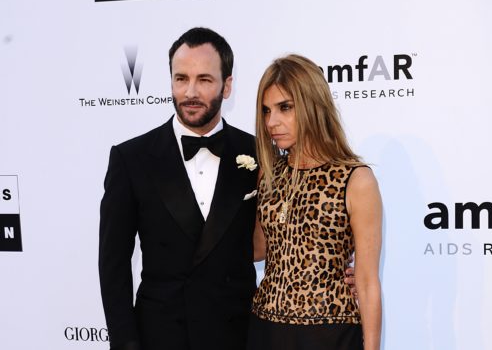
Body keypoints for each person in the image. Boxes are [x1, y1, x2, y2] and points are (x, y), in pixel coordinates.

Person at [98, 27, 259, 350]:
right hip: (162, 336)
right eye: (181, 78)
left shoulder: (258, 153)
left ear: (227, 86)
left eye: (204, 79)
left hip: (237, 336)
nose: (190, 92)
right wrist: (126, 343)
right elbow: (113, 264)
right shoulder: (132, 158)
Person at [248, 54, 382, 350]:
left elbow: (368, 282)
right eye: (266, 110)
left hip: (329, 333)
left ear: (312, 104)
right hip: (265, 330)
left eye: (285, 108)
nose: (272, 122)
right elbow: (257, 250)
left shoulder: (356, 179)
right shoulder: (268, 174)